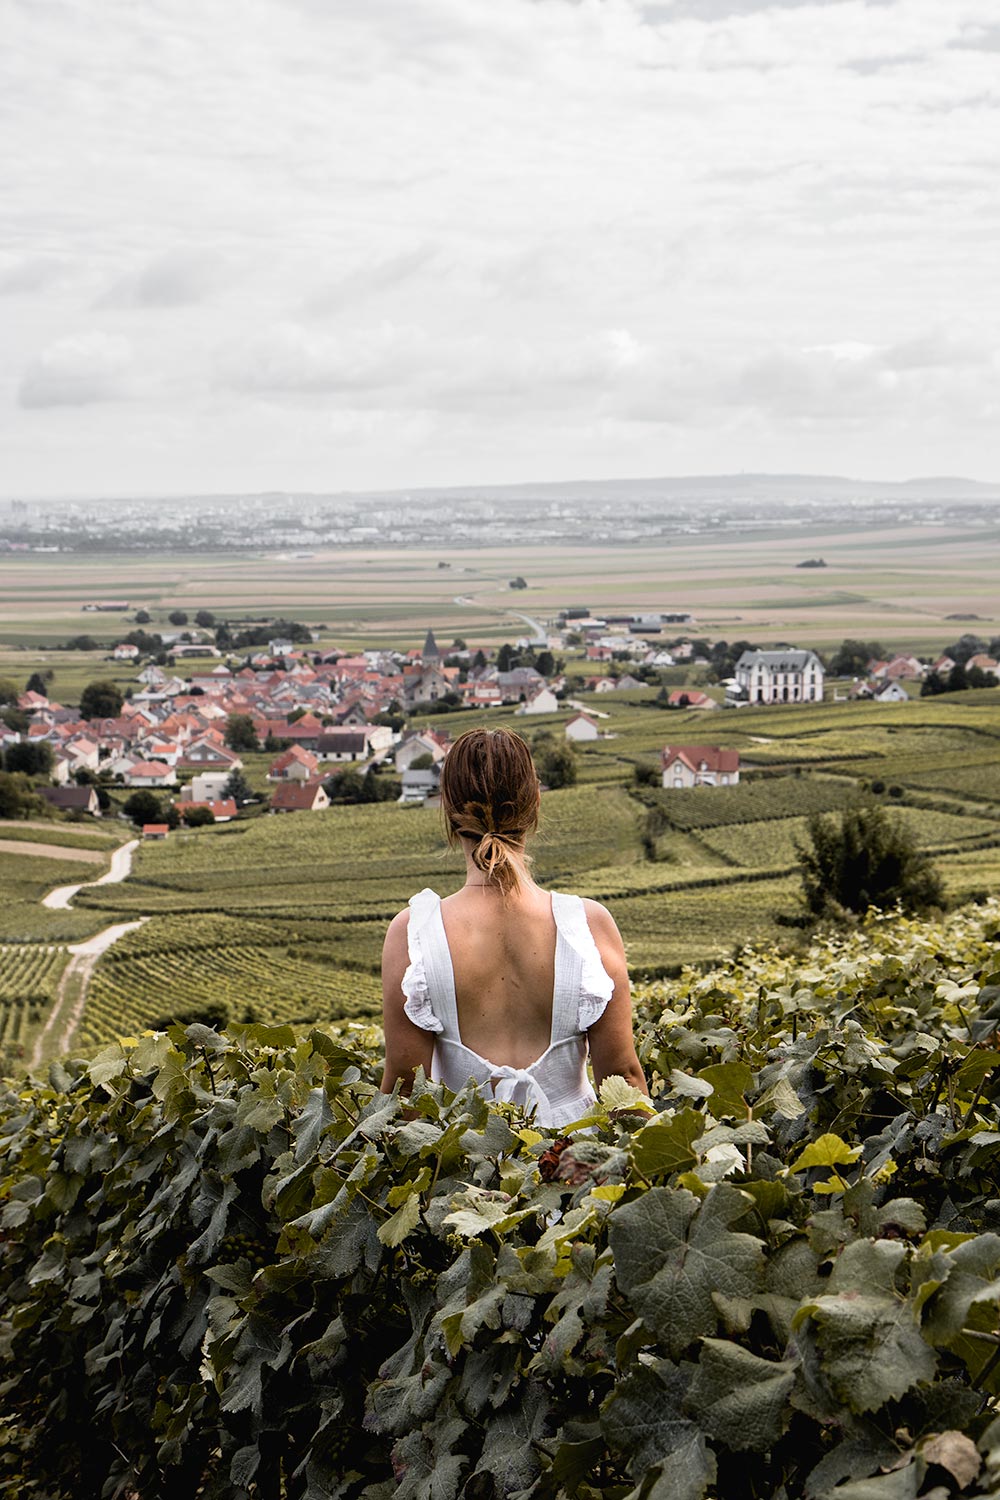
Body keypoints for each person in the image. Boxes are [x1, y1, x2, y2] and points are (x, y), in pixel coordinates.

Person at [380, 726, 648, 1127]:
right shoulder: (589, 926)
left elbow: (406, 1094)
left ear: (449, 810)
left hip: (461, 1166)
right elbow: (624, 1080)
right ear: (535, 803)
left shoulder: (413, 935)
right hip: (572, 1165)